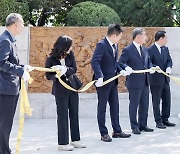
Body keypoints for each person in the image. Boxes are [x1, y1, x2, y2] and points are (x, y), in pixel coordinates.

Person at [91, 23, 131, 142]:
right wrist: (100, 76)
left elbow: (114, 63)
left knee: (115, 106)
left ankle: (117, 130)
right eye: (119, 37)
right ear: (114, 35)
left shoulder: (115, 46)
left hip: (113, 81)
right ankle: (104, 133)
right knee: (102, 107)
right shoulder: (102, 45)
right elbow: (95, 61)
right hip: (103, 82)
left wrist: (122, 70)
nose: (120, 39)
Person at [0, 13, 33, 154]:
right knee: (4, 124)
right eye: (22, 23)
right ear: (14, 24)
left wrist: (22, 67)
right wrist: (20, 72)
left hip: (9, 88)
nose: (23, 26)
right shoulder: (5, 40)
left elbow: (11, 62)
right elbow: (2, 63)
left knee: (6, 124)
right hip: (5, 89)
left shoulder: (9, 40)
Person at [45, 35, 86, 151]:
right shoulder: (51, 58)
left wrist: (65, 70)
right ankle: (62, 143)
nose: (71, 48)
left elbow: (74, 68)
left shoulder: (70, 55)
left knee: (74, 113)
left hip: (72, 88)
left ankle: (75, 140)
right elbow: (48, 75)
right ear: (63, 46)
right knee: (62, 116)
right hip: (60, 91)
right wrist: (57, 74)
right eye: (69, 46)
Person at [118, 28, 154, 135]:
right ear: (138, 37)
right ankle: (134, 126)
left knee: (145, 104)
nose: (146, 38)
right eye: (144, 35)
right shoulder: (128, 50)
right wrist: (126, 68)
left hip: (145, 81)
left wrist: (151, 68)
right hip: (134, 82)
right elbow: (120, 63)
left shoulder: (145, 49)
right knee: (134, 105)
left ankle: (143, 125)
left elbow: (148, 62)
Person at [148, 30, 175, 129]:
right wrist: (155, 68)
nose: (166, 40)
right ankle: (158, 121)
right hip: (155, 80)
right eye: (165, 38)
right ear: (161, 39)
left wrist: (169, 67)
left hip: (165, 79)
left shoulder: (165, 49)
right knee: (156, 101)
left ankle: (165, 119)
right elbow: (148, 62)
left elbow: (169, 60)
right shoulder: (150, 49)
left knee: (167, 100)